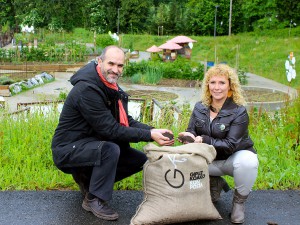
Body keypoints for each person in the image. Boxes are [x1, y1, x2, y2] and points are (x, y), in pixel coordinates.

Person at [51, 45, 174, 221]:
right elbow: (110, 129)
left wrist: (152, 130)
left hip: (90, 144)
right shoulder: (87, 89)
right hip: (68, 149)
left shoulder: (110, 87)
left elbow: (125, 121)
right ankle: (94, 199)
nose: (115, 70)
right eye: (111, 63)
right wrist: (149, 136)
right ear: (99, 61)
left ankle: (88, 182)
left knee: (139, 160)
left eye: (120, 66)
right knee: (110, 150)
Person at [178, 64, 259, 224]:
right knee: (181, 157)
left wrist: (204, 139)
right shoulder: (199, 107)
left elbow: (230, 145)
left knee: (248, 162)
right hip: (208, 161)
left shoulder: (239, 111)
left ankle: (238, 203)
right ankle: (211, 184)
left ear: (230, 86)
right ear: (207, 85)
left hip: (231, 160)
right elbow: (192, 131)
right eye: (212, 82)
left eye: (222, 83)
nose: (217, 87)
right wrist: (188, 136)